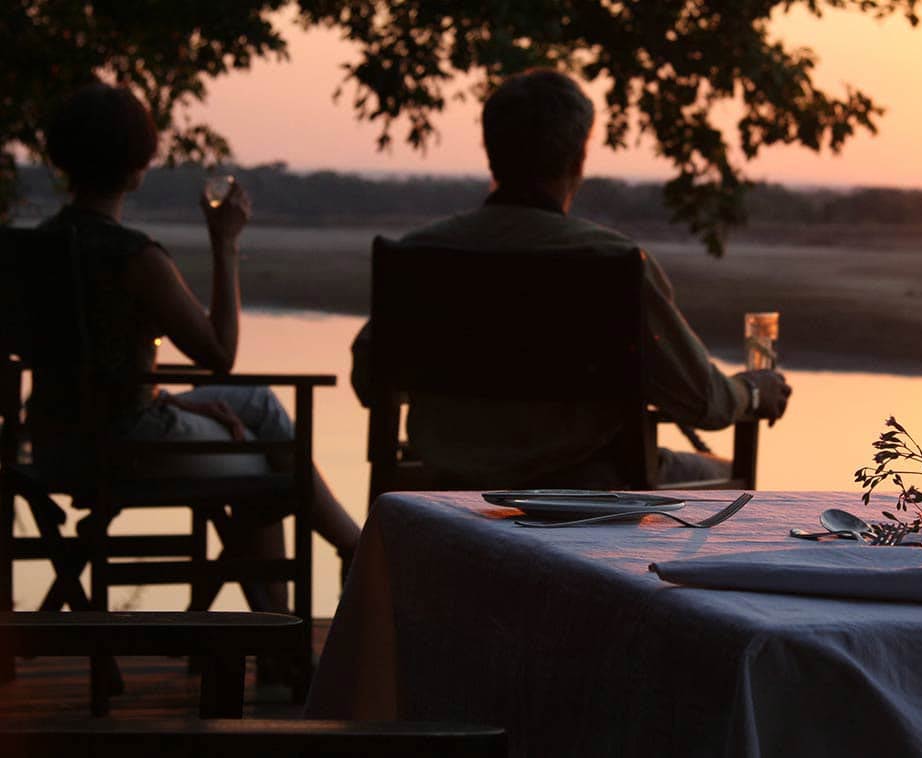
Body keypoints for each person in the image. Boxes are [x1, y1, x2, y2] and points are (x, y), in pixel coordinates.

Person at [350, 68, 791, 487]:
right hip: (588, 489)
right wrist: (752, 392)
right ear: (579, 157)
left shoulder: (420, 256)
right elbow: (704, 402)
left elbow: (369, 379)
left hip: (443, 486)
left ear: (491, 151)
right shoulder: (611, 260)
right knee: (727, 477)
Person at [31, 82, 361, 613]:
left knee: (253, 407)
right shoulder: (134, 257)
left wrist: (173, 401)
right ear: (138, 165)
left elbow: (90, 373)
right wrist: (225, 243)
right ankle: (318, 592)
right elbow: (218, 353)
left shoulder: (32, 252)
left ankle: (347, 553)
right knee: (271, 463)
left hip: (52, 441)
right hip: (126, 445)